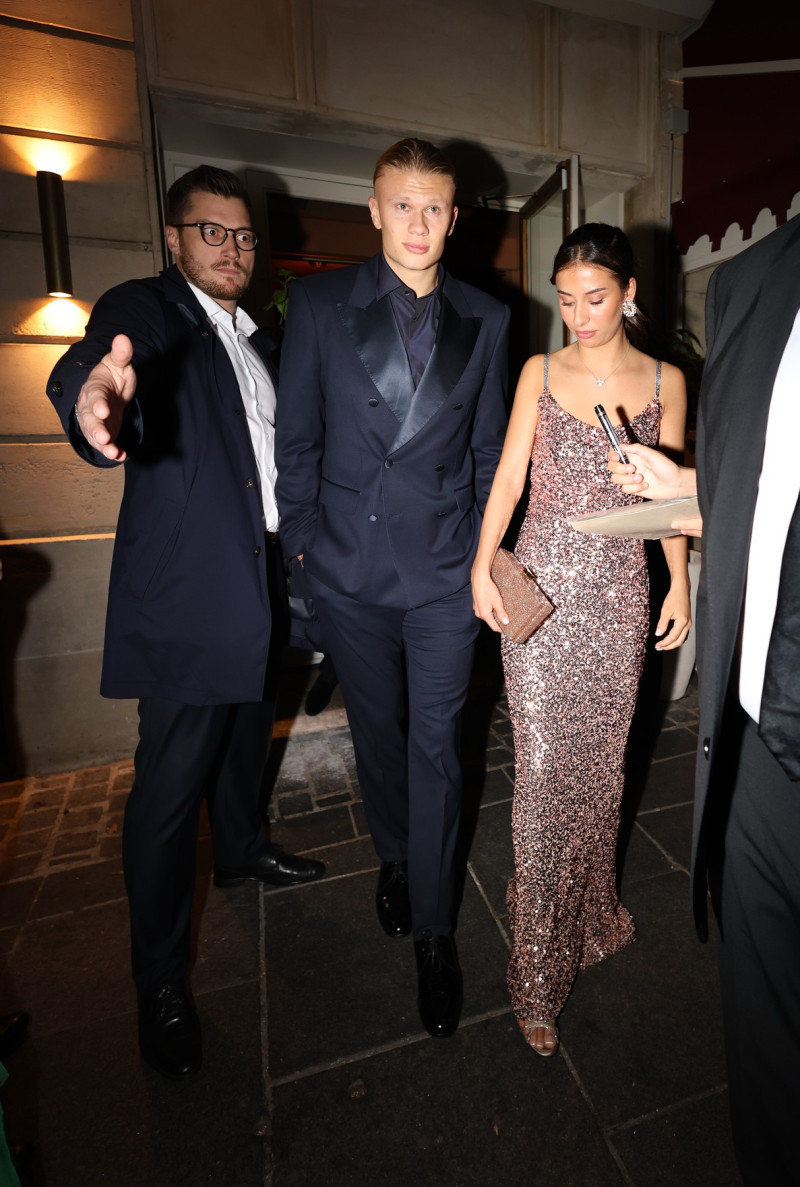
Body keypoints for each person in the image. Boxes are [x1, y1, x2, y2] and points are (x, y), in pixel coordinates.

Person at [45, 165, 324, 1081]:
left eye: (244, 236)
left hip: (264, 586)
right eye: (213, 232)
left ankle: (241, 849)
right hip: (191, 600)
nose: (233, 249)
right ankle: (159, 983)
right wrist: (93, 398)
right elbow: (104, 353)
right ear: (174, 238)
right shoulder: (154, 311)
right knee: (166, 801)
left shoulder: (263, 337)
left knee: (249, 732)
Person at [275, 138, 509, 1038]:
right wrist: (304, 552)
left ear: (457, 217)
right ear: (374, 210)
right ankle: (397, 858)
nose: (418, 223)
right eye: (401, 204)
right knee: (377, 735)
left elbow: (491, 454)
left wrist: (485, 560)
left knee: (438, 744)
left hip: (448, 573)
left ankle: (439, 934)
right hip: (350, 572)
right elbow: (296, 440)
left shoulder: (486, 317)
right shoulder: (324, 302)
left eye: (436, 207)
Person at [608, 212, 800, 1186]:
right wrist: (683, 491)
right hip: (762, 735)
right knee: (764, 1036)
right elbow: (759, 498)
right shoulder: (752, 278)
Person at [471, 223, 691, 1056]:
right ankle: (534, 971)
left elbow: (667, 496)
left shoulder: (668, 378)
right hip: (543, 593)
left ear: (630, 293)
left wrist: (676, 579)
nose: (578, 316)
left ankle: (586, 909)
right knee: (541, 780)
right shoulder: (541, 370)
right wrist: (480, 563)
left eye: (594, 298)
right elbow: (511, 477)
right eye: (565, 301)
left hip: (619, 595)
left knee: (600, 770)